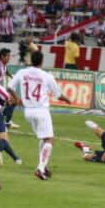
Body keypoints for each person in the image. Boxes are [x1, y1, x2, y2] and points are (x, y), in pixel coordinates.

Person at [9, 50, 71, 180]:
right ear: (42, 62)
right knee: (49, 139)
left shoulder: (22, 72)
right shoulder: (46, 76)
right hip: (41, 111)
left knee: (43, 138)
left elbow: (9, 87)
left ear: (31, 60)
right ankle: (40, 168)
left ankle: (43, 165)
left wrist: (17, 98)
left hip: (28, 112)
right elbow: (58, 95)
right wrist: (67, 99)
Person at [0, 47, 19, 129]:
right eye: (7, 56)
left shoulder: (3, 65)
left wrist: (11, 76)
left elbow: (5, 70)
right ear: (2, 56)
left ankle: (6, 121)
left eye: (9, 56)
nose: (9, 58)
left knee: (12, 102)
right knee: (12, 102)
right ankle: (5, 121)